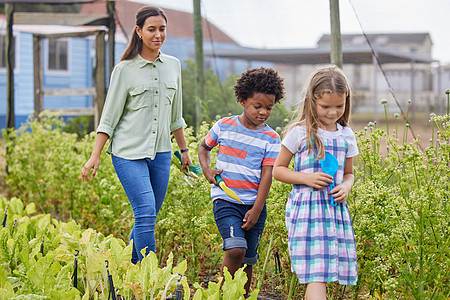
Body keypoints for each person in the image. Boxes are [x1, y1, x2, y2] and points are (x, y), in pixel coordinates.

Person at [81, 6, 192, 264]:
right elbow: (108, 117)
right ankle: (148, 276)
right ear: (139, 31)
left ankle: (127, 270)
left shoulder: (173, 66)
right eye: (151, 29)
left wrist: (184, 151)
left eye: (162, 29)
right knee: (144, 212)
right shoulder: (124, 70)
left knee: (149, 215)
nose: (158, 35)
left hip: (162, 153)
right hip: (128, 153)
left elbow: (176, 116)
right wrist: (94, 155)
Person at [273, 65, 358, 299]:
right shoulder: (299, 133)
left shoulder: (346, 135)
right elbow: (278, 171)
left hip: (333, 211)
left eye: (339, 106)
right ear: (312, 101)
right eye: (325, 106)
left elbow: (349, 173)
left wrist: (346, 186)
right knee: (316, 273)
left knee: (326, 269)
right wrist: (306, 178)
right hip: (307, 211)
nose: (333, 112)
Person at [198, 67, 285, 295]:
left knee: (248, 259)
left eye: (269, 108)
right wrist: (207, 170)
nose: (264, 112)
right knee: (236, 249)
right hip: (226, 199)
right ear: (242, 100)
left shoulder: (272, 138)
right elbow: (204, 147)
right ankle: (222, 295)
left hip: (254, 205)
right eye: (258, 106)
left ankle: (243, 296)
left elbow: (267, 175)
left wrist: (257, 209)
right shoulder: (224, 125)